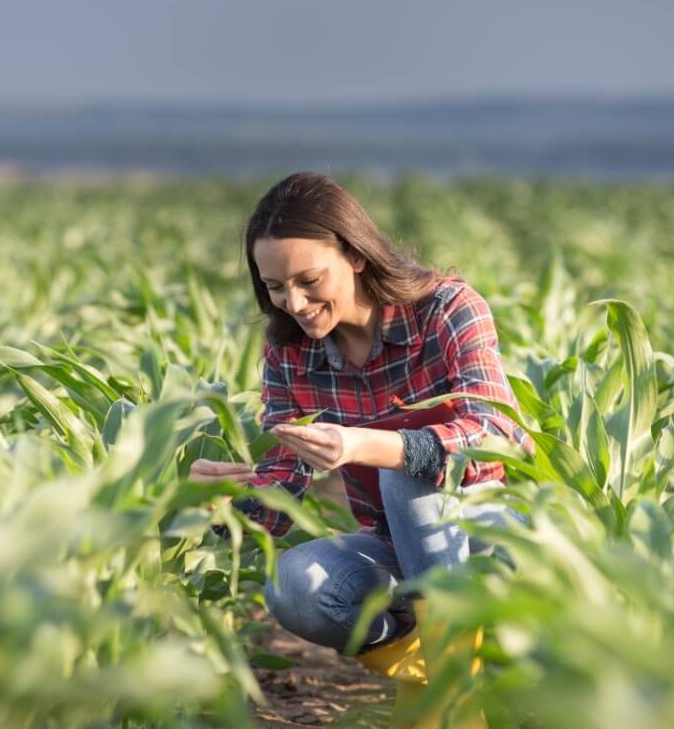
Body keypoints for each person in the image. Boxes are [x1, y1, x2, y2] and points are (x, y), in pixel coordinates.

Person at [190, 171, 532, 729]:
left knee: (403, 470)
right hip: (399, 546)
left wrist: (367, 444)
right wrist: (213, 500)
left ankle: (450, 707)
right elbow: (281, 487)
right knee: (296, 587)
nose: (295, 303)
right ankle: (443, 672)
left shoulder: (446, 310)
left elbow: (494, 430)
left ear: (355, 255)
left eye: (309, 279)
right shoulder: (291, 358)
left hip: (497, 531)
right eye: (276, 288)